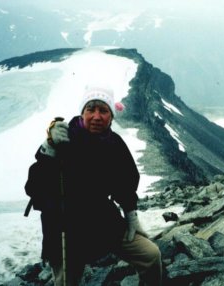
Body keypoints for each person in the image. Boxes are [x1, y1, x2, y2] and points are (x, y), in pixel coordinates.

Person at [24, 87, 162, 286]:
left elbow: (125, 182)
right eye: (91, 109)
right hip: (64, 227)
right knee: (66, 281)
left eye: (103, 111)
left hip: (102, 221)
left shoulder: (114, 144)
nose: (96, 116)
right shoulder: (63, 139)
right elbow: (34, 187)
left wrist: (131, 215)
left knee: (150, 255)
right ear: (82, 113)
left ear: (111, 117)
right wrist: (50, 147)